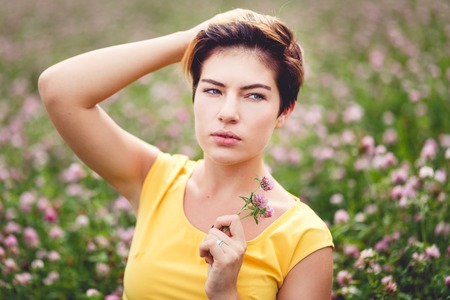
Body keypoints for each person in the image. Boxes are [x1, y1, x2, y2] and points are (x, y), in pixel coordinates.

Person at [38, 8, 334, 299]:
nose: (227, 113)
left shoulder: (304, 238)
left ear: (284, 112)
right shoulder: (154, 179)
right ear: (194, 96)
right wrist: (191, 38)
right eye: (213, 90)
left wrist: (226, 293)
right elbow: (59, 89)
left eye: (254, 95)